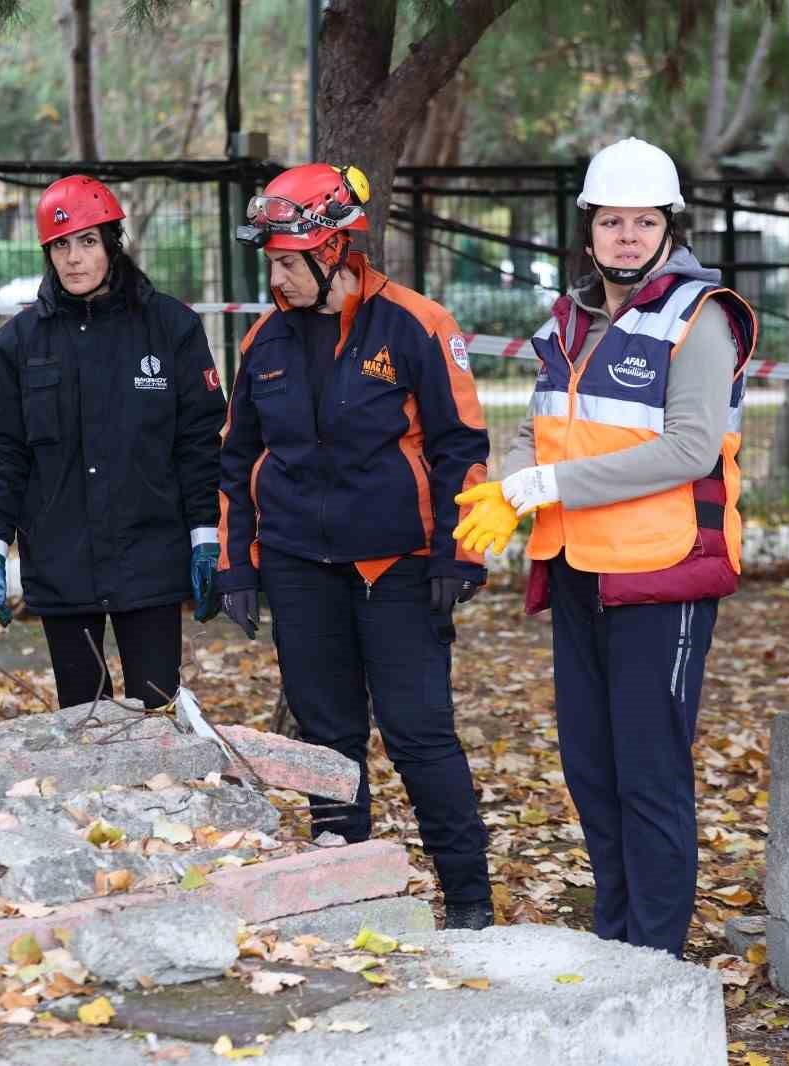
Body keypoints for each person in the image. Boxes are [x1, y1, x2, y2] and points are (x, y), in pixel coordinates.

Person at [455, 137, 758, 957]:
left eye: (644, 221)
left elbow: (691, 448)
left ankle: (655, 961)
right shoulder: (570, 318)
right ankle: (616, 946)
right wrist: (510, 482)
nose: (627, 236)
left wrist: (551, 488)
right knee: (593, 775)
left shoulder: (700, 320)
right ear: (588, 228)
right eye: (612, 220)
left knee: (649, 778)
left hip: (663, 575)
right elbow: (538, 426)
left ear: (669, 227)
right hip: (579, 572)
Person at [216, 162, 495, 930]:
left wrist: (459, 554)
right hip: (301, 569)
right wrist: (237, 563)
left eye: (284, 261)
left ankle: (469, 899)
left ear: (334, 249)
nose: (275, 276)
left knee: (418, 735)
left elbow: (461, 449)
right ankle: (345, 894)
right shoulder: (264, 340)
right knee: (328, 738)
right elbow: (236, 460)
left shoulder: (416, 325)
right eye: (270, 262)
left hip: (397, 570)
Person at [0, 175, 227, 710]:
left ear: (112, 242)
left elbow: (198, 443)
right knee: (85, 722)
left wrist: (205, 534)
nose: (73, 258)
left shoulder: (171, 327)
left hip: (149, 555)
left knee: (156, 715)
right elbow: (2, 452)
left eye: (86, 241)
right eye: (60, 244)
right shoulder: (18, 343)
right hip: (63, 560)